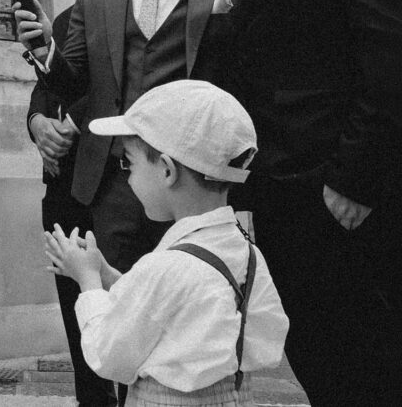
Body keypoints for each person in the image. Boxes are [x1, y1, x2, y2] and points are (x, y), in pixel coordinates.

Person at [223, 0, 402, 406]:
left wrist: (356, 180)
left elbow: (390, 52)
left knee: (367, 368)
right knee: (325, 367)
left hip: (341, 203)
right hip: (288, 198)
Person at [15, 0, 239, 305]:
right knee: (121, 305)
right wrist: (44, 50)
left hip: (193, 185)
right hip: (116, 183)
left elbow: (242, 82)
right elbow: (74, 81)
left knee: (192, 303)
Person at [44, 80, 288, 407]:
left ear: (167, 170)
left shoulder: (164, 268)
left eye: (128, 162)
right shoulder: (246, 254)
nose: (128, 177)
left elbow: (107, 355)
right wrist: (107, 274)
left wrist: (88, 282)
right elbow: (256, 333)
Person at [26, 0, 119, 407]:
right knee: (77, 312)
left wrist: (75, 123)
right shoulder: (62, 18)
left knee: (123, 312)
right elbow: (45, 89)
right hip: (62, 187)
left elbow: (116, 82)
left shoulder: (128, 1)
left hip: (113, 185)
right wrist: (39, 124)